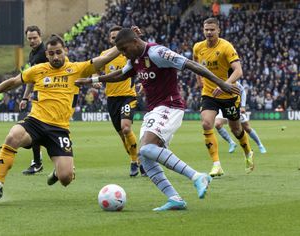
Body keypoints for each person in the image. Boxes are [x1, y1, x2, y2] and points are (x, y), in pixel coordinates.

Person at [76, 28, 240, 211]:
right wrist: (92, 80)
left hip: (170, 106)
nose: (122, 53)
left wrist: (222, 83)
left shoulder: (157, 52)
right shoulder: (134, 58)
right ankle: (175, 198)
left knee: (146, 148)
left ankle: (197, 176)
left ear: (135, 42)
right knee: (144, 156)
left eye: (124, 48)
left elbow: (191, 64)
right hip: (154, 109)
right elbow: (121, 74)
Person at [0, 34, 121, 199]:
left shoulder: (78, 69)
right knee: (13, 135)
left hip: (59, 129)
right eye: (51, 53)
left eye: (58, 52)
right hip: (35, 122)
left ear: (65, 51)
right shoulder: (38, 70)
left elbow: (105, 58)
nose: (55, 57)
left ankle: (59, 172)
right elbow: (13, 82)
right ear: (47, 54)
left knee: (66, 178)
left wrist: (124, 42)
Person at [193, 17, 254, 177]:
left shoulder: (226, 47)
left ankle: (248, 152)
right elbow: (195, 63)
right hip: (209, 94)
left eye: (212, 29)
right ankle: (216, 164)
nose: (209, 32)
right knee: (206, 124)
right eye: (206, 29)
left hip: (229, 95)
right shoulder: (198, 47)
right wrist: (199, 80)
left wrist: (223, 85)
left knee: (236, 129)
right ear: (203, 30)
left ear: (218, 30)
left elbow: (238, 71)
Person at [98, 25, 143, 177]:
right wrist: (96, 81)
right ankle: (137, 161)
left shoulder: (129, 53)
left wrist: (143, 82)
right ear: (109, 40)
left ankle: (135, 161)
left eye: (118, 37)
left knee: (126, 128)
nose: (115, 40)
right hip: (112, 99)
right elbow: (98, 70)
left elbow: (143, 66)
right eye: (113, 38)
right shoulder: (104, 55)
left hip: (128, 96)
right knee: (122, 134)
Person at [20, 25, 48, 175]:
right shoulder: (33, 55)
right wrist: (25, 97)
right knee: (36, 129)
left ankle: (38, 162)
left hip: (51, 98)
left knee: (38, 130)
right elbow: (31, 79)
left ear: (40, 36)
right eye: (29, 38)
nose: (32, 40)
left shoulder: (46, 53)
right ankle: (37, 162)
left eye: (34, 38)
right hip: (39, 97)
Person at [215, 82, 267, 154]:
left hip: (234, 107)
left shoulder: (233, 81)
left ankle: (260, 145)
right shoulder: (215, 80)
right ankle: (231, 142)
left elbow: (242, 91)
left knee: (247, 128)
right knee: (217, 124)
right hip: (222, 108)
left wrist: (242, 106)